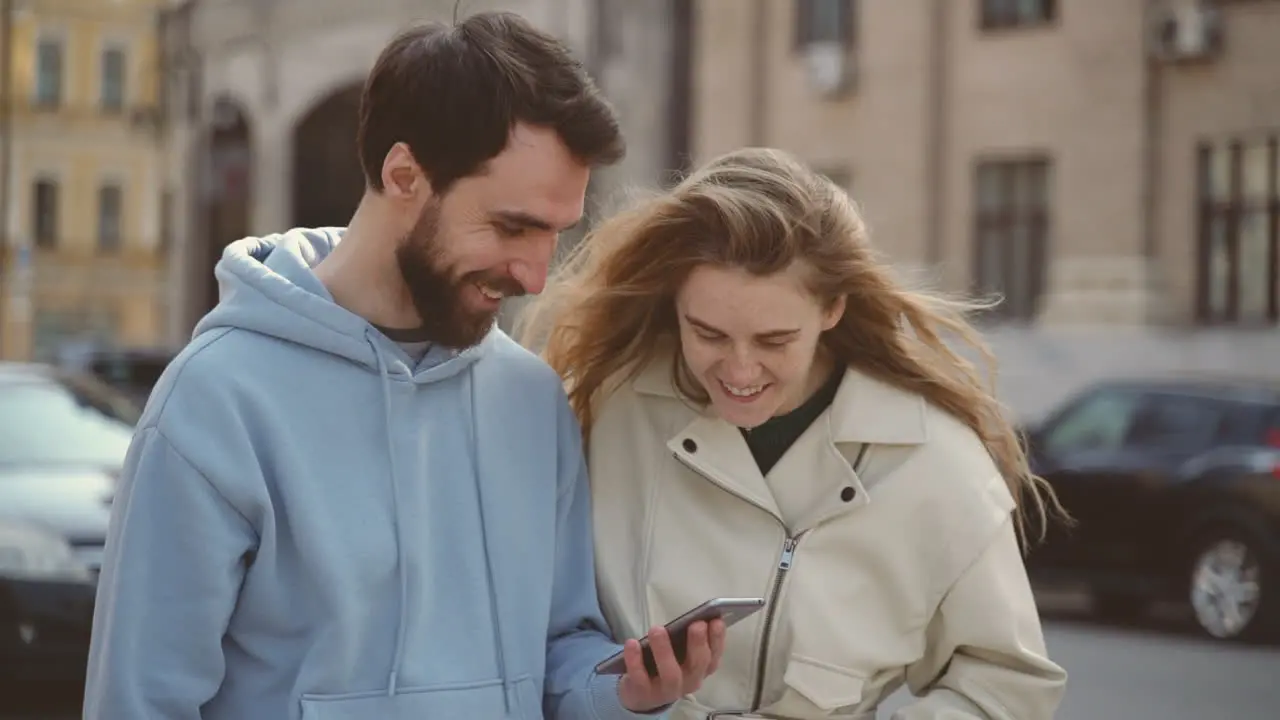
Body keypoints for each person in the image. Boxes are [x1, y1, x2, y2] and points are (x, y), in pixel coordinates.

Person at [83, 12, 724, 720]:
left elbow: (557, 650)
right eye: (512, 227)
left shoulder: (531, 398)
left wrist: (625, 692)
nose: (537, 276)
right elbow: (140, 701)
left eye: (555, 233)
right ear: (403, 175)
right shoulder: (215, 402)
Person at [519, 147, 1070, 720]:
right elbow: (550, 637)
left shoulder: (938, 463)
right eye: (707, 333)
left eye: (774, 340)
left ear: (832, 309)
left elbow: (1007, 690)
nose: (738, 370)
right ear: (674, 302)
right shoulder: (606, 407)